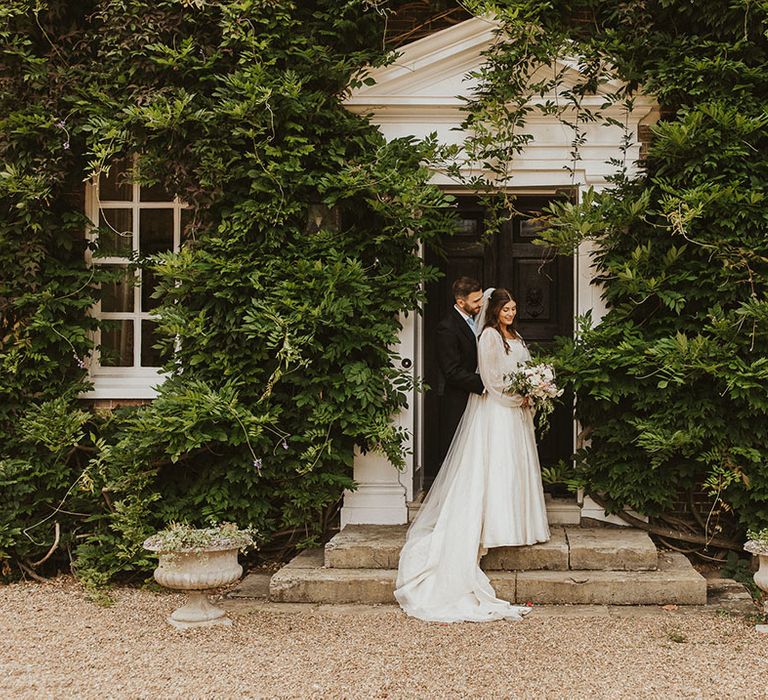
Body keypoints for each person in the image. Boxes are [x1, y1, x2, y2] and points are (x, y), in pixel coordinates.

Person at [395, 288, 551, 623]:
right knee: (497, 467)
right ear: (495, 311)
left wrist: (534, 388)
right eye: (506, 308)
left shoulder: (515, 334)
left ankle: (522, 524)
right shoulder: (490, 337)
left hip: (516, 414)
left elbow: (521, 371)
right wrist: (518, 396)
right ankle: (497, 526)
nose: (511, 313)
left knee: (516, 469)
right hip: (497, 413)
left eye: (514, 308)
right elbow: (492, 381)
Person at [434, 277, 486, 468]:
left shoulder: (476, 320)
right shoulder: (447, 327)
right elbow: (452, 371)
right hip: (459, 400)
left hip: (480, 401)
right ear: (460, 302)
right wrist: (485, 383)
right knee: (459, 454)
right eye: (476, 301)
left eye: (481, 298)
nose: (481, 304)